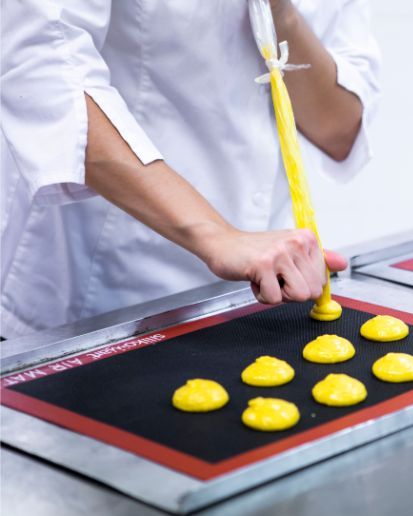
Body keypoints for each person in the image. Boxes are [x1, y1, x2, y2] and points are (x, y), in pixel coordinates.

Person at [1, 0, 380, 338]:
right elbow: (44, 68)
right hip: (100, 289)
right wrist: (218, 236)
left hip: (256, 291)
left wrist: (281, 11)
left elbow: (339, 128)